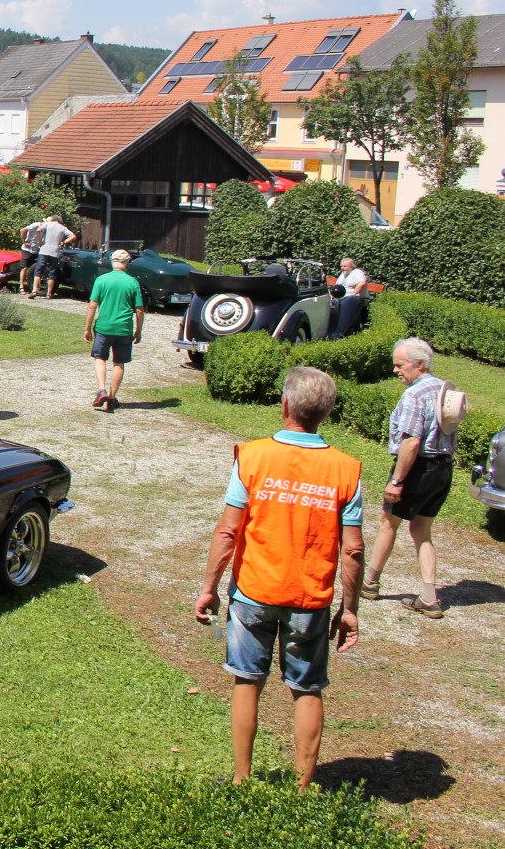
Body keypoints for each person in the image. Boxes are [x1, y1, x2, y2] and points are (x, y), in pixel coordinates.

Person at [194, 366, 363, 792]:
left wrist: (209, 588)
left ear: (285, 406)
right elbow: (354, 549)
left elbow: (229, 530)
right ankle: (304, 787)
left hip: (254, 591)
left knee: (247, 680)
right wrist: (351, 609)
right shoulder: (346, 470)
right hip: (310, 598)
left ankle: (241, 779)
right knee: (306, 687)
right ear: (325, 413)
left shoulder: (251, 456)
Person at [362, 338, 455, 618]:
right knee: (421, 530)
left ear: (420, 364)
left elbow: (411, 442)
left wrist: (397, 481)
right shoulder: (443, 388)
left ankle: (369, 583)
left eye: (400, 365)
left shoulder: (414, 395)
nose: (395, 370)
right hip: (442, 470)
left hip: (417, 469)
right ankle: (429, 596)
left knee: (387, 523)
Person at [84, 249, 145, 412]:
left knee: (99, 357)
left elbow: (92, 305)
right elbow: (139, 309)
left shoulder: (102, 280)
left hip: (104, 327)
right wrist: (138, 331)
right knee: (119, 362)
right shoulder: (133, 282)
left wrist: (87, 328)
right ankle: (111, 397)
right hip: (124, 329)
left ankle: (101, 389)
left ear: (112, 262)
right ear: (127, 263)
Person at [33, 214, 75, 298]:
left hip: (44, 250)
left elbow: (38, 230)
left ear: (52, 219)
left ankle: (34, 290)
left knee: (39, 270)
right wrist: (64, 242)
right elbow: (73, 236)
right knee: (52, 272)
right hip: (55, 252)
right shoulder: (63, 228)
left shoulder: (48, 224)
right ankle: (49, 293)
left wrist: (40, 241)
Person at [17, 219, 44, 295]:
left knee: (35, 268)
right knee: (24, 267)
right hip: (27, 249)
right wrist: (24, 241)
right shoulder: (35, 225)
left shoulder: (47, 228)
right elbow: (22, 230)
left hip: (37, 249)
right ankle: (21, 286)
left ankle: (33, 287)